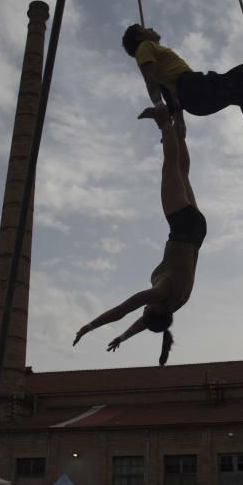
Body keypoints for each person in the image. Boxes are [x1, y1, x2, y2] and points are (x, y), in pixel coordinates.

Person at [74, 113, 205, 366]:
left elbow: (143, 323)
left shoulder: (175, 304)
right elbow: (122, 310)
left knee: (182, 172)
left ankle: (179, 130)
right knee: (169, 165)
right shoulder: (162, 293)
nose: (146, 308)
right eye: (148, 309)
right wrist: (89, 326)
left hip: (197, 232)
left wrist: (123, 337)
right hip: (182, 227)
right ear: (155, 309)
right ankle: (165, 121)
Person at [122, 23, 243, 179]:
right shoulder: (145, 47)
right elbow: (149, 78)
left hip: (194, 99)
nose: (150, 28)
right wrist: (158, 104)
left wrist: (178, 123)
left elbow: (171, 97)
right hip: (193, 87)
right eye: (145, 29)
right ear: (139, 36)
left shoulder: (159, 60)